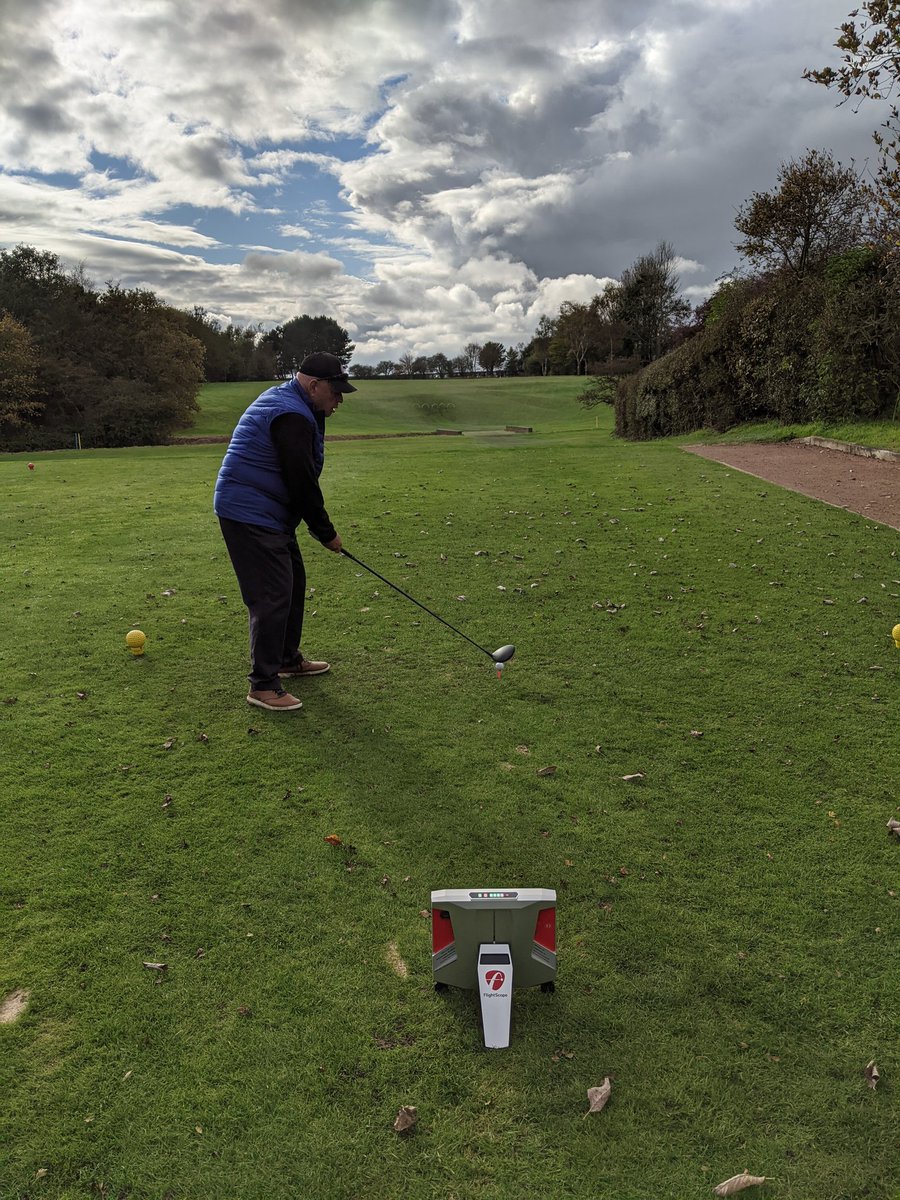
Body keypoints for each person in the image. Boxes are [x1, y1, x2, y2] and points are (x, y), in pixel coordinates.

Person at [213, 351, 356, 711]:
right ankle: (262, 684)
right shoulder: (291, 415)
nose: (339, 400)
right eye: (335, 392)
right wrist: (326, 533)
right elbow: (302, 483)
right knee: (273, 594)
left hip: (266, 511)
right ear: (313, 385)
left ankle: (287, 659)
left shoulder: (295, 404)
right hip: (249, 511)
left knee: (292, 581)